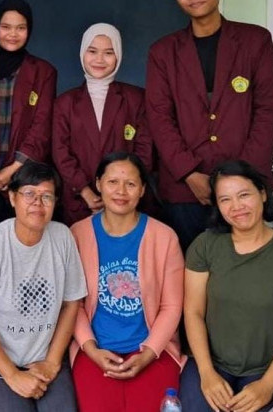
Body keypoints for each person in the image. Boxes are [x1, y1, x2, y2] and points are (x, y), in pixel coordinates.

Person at [145, 0, 273, 251]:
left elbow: (268, 112)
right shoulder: (163, 52)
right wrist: (189, 173)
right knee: (191, 267)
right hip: (185, 189)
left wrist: (242, 178)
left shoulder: (255, 41)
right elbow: (159, 117)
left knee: (245, 266)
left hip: (244, 186)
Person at [0, 162, 87, 411]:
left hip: (44, 358)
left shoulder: (62, 236)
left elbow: (72, 304)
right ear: (12, 198)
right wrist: (12, 375)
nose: (38, 204)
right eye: (29, 194)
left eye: (47, 196)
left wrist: (52, 362)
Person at [181, 160, 273, 412]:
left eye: (244, 195)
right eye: (225, 199)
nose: (236, 207)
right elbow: (193, 312)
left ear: (262, 193)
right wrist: (207, 373)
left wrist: (268, 384)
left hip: (268, 370)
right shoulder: (205, 245)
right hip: (210, 364)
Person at [69, 152, 186, 412]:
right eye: (113, 182)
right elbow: (73, 305)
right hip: (93, 350)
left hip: (153, 350)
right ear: (98, 184)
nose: (121, 191)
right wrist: (91, 350)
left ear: (142, 189)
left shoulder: (164, 237)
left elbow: (171, 307)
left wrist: (148, 353)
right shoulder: (77, 234)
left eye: (131, 184)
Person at [53, 23, 153, 226]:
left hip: (126, 201)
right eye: (92, 51)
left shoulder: (136, 99)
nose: (99, 59)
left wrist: (122, 190)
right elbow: (60, 152)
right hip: (80, 201)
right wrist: (85, 190)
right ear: (82, 53)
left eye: (108, 52)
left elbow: (145, 151)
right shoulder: (65, 103)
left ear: (119, 56)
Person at [0, 0, 57, 235]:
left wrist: (11, 171)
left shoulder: (43, 72)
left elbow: (41, 126)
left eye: (20, 28)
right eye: (6, 27)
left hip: (24, 176)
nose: (13, 34)